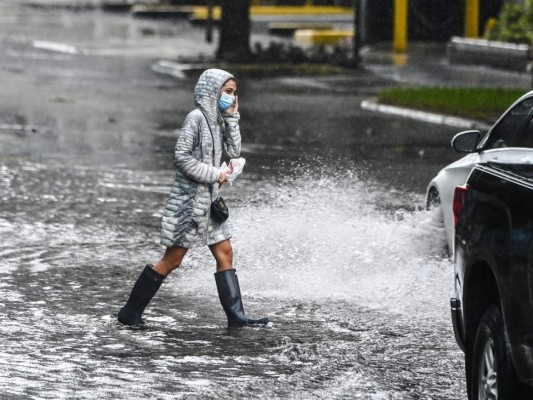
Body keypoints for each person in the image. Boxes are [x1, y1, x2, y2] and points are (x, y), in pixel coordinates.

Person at [117, 69, 269, 328]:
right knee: (172, 260)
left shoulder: (219, 120)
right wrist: (215, 174)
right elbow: (182, 158)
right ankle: (130, 312)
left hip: (211, 202)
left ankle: (236, 317)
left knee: (225, 252)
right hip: (189, 203)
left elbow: (233, 151)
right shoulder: (196, 118)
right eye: (228, 91)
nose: (232, 97)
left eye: (234, 92)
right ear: (212, 90)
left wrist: (232, 117)